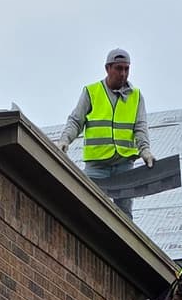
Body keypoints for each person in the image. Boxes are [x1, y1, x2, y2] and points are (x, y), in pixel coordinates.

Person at [61, 48, 153, 195]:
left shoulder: (136, 96)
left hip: (124, 163)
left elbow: (140, 127)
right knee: (90, 202)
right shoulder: (92, 92)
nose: (123, 74)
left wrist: (145, 150)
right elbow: (76, 120)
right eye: (118, 68)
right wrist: (65, 140)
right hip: (97, 166)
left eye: (126, 69)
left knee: (124, 207)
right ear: (107, 68)